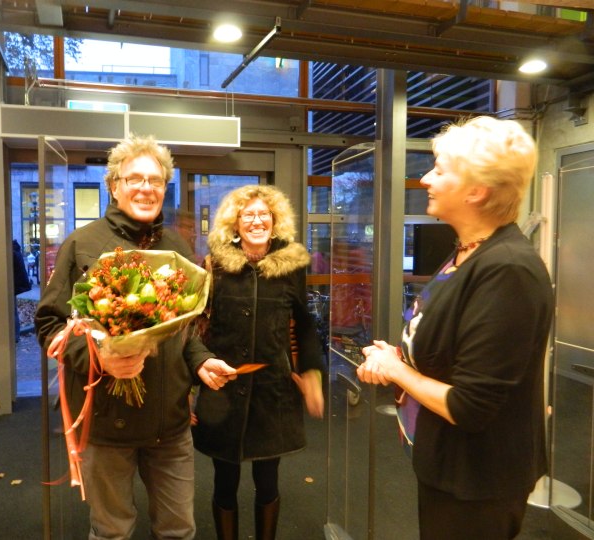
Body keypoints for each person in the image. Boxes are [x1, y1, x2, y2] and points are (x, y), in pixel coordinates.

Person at [356, 116, 554, 540]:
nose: (426, 178)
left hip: (478, 481)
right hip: (448, 465)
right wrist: (397, 358)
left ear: (476, 191)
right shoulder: (466, 254)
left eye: (440, 170)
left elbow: (469, 405)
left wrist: (396, 370)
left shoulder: (507, 270)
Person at [35, 135, 225, 540]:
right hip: (106, 423)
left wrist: (201, 360)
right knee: (112, 532)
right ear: (114, 185)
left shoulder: (177, 247)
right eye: (134, 178)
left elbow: (182, 328)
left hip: (170, 421)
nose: (145, 188)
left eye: (155, 181)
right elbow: (49, 326)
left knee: (179, 530)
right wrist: (100, 357)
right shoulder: (81, 245)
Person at [191, 185, 325, 540]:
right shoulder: (215, 266)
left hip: (272, 391)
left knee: (268, 480)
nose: (256, 220)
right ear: (235, 225)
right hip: (224, 389)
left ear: (274, 220)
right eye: (247, 215)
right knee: (225, 481)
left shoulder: (291, 265)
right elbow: (195, 324)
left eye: (263, 214)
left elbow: (305, 322)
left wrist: (312, 372)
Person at [12, 239, 31, 342]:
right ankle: (15, 335)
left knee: (12, 311)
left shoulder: (12, 251)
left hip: (12, 285)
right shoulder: (15, 249)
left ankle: (15, 335)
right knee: (12, 310)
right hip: (14, 285)